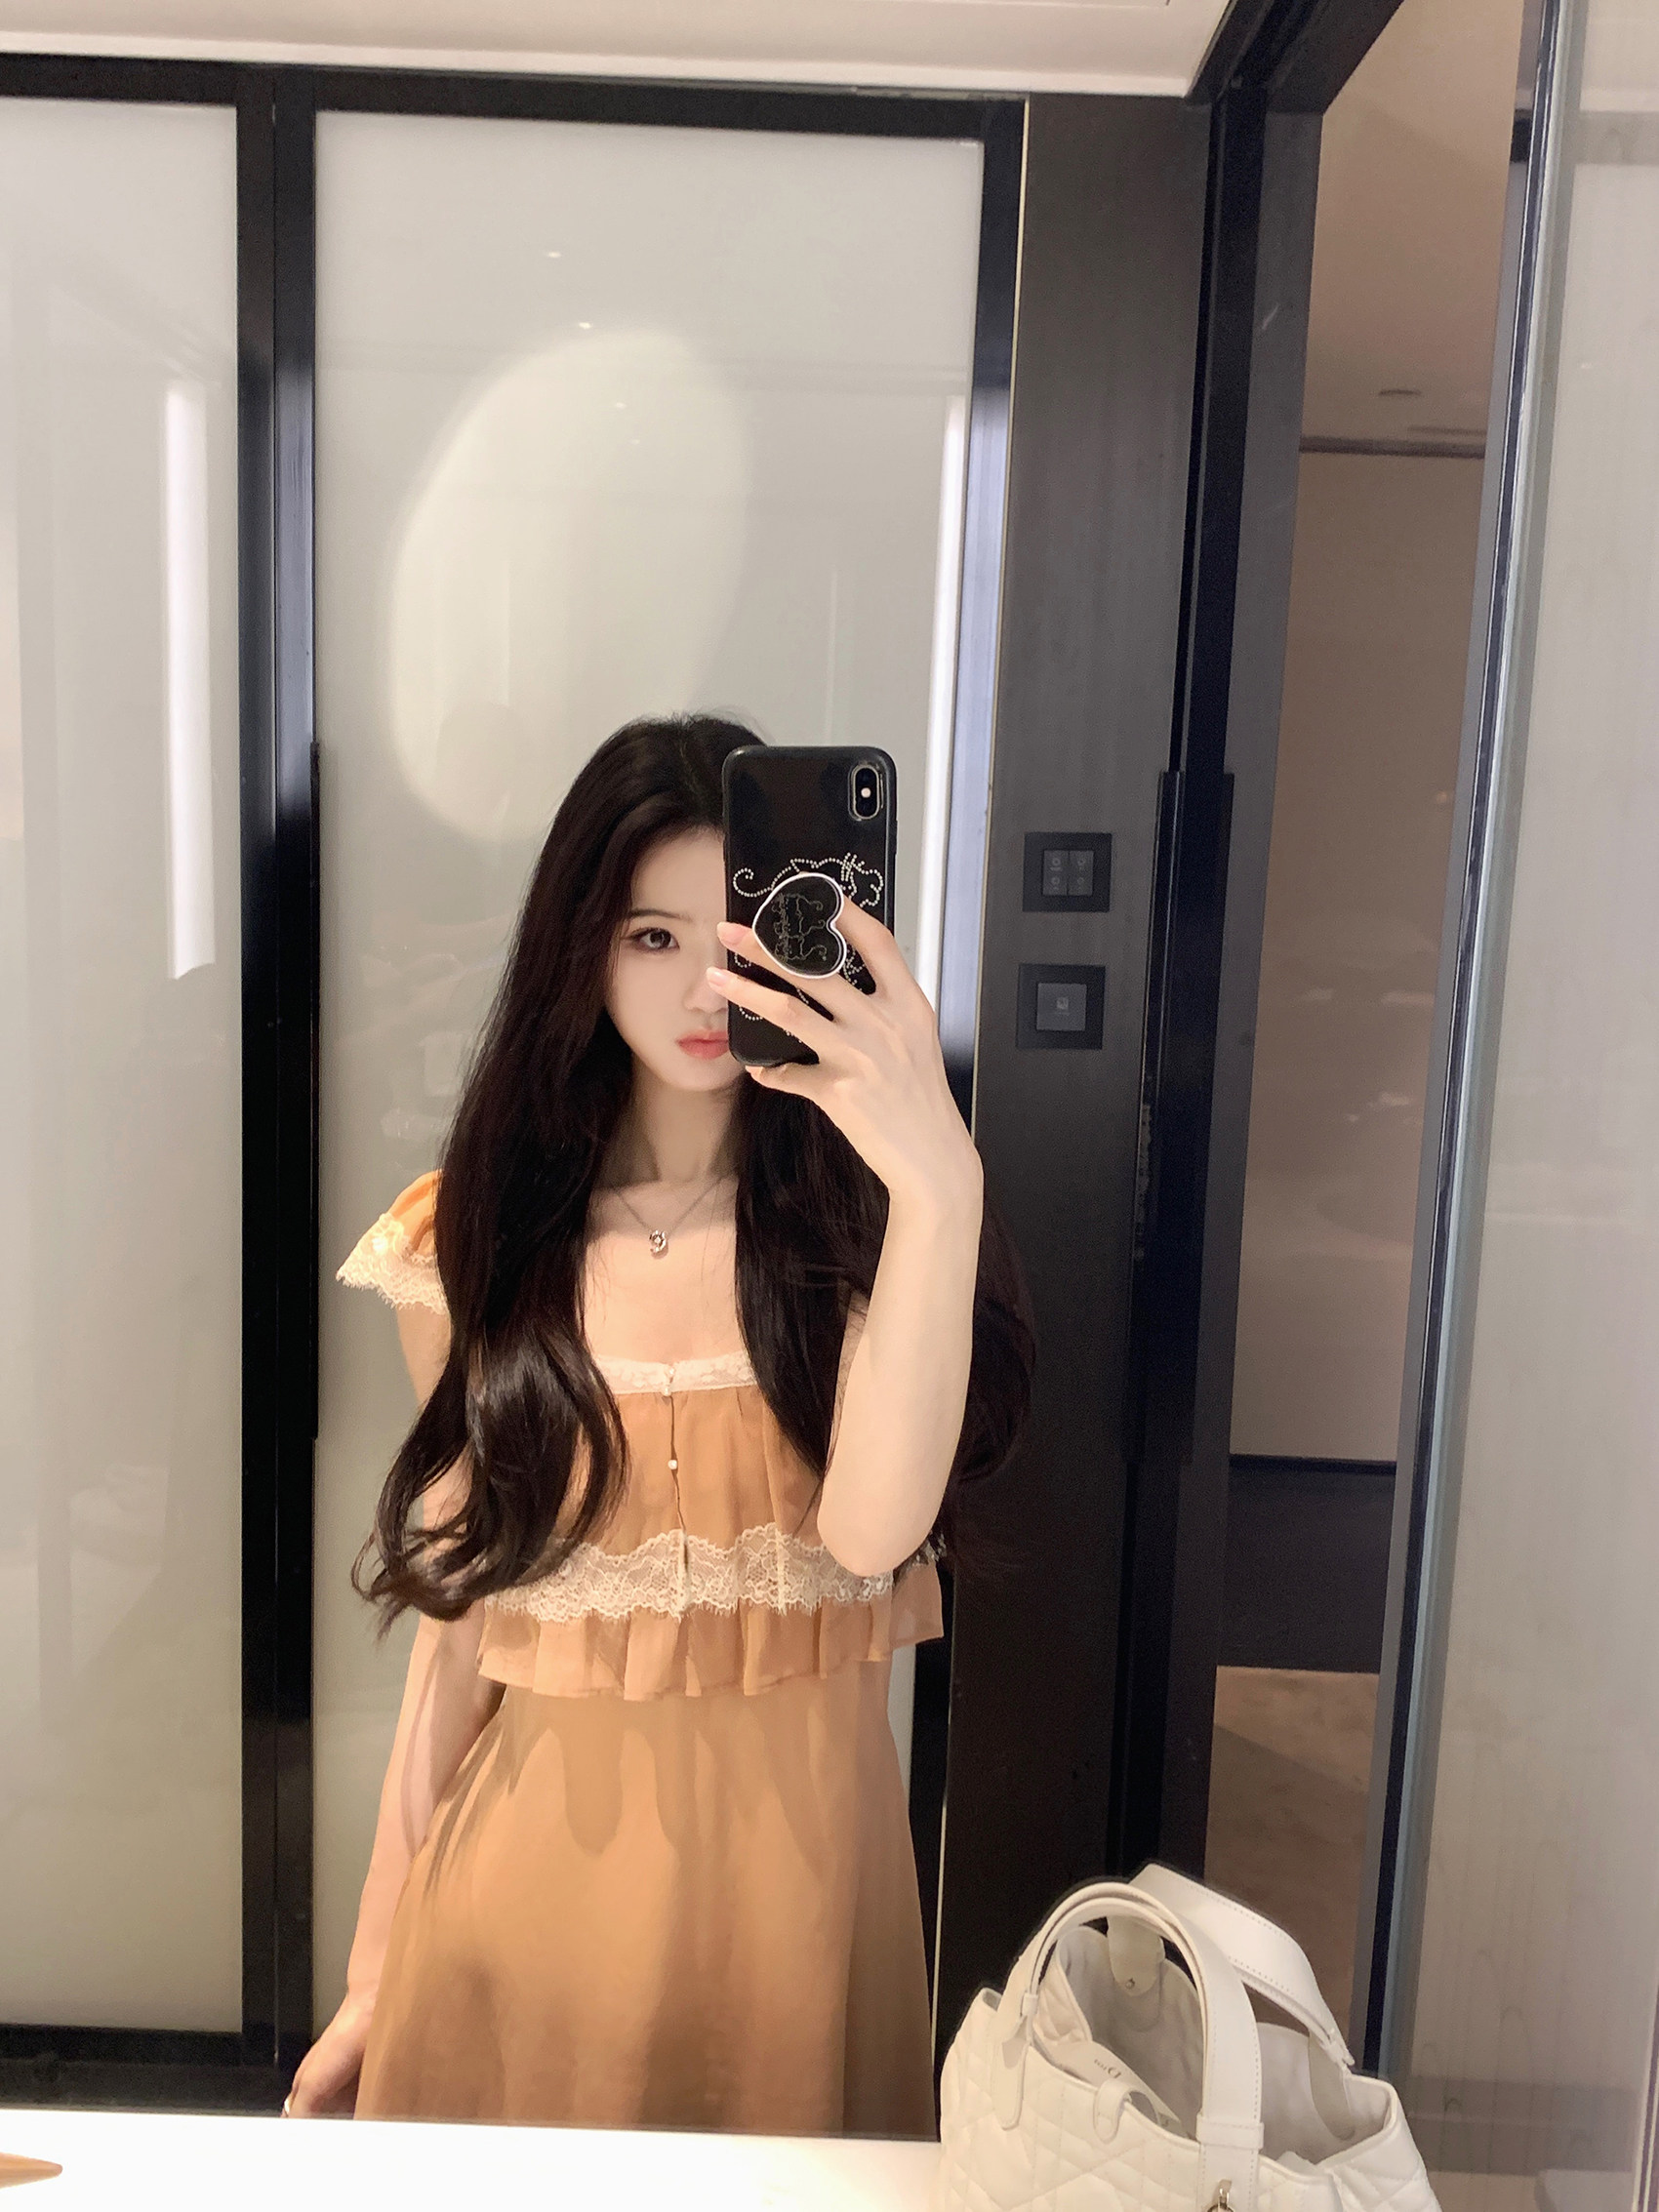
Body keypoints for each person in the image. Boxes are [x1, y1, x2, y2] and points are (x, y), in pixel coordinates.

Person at [286, 713, 1032, 2134]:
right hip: (523, 1939)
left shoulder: (870, 1243)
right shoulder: (474, 1245)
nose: (703, 985)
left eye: (740, 935)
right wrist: (374, 1977)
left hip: (800, 1942)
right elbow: (461, 1650)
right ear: (580, 951)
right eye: (649, 936)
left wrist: (941, 1183)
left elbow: (872, 1532)